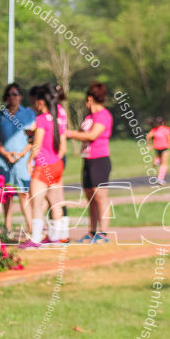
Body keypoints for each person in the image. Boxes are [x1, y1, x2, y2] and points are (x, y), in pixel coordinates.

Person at [20, 85, 68, 248]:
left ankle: (35, 238)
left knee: (37, 203)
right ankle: (58, 237)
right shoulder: (58, 119)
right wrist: (55, 160)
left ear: (41, 102)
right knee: (56, 202)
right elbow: (63, 148)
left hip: (42, 166)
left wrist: (29, 161)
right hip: (57, 164)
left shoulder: (41, 119)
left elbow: (37, 145)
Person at [0, 83, 36, 240]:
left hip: (21, 160)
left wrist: (22, 154)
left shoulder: (29, 114)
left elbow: (33, 137)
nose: (12, 97)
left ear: (20, 96)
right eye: (10, 94)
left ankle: (31, 229)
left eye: (15, 94)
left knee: (24, 193)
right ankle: (7, 226)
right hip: (3, 159)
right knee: (4, 194)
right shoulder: (0, 115)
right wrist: (5, 153)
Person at [68, 82, 113, 244]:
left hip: (100, 160)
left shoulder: (103, 115)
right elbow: (82, 133)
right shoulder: (89, 116)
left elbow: (92, 135)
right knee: (90, 197)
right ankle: (92, 231)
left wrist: (70, 133)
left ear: (90, 98)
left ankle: (104, 233)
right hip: (87, 159)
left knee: (100, 196)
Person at [147, 117, 170, 185]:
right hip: (164, 148)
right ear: (163, 122)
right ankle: (160, 179)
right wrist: (169, 143)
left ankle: (156, 161)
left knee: (159, 158)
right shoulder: (167, 129)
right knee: (164, 164)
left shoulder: (154, 130)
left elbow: (148, 136)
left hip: (157, 148)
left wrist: (149, 145)